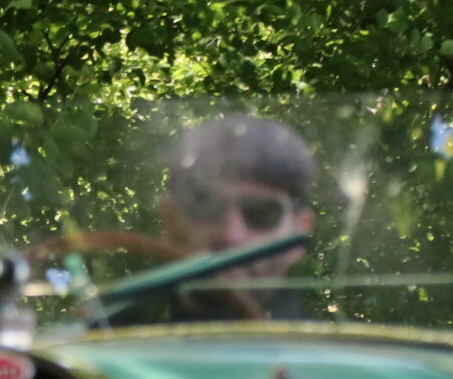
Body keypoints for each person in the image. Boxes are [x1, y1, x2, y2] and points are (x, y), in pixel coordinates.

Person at [130, 114, 320, 323]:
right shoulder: (110, 337)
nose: (231, 235)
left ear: (300, 233)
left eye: (261, 213)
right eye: (205, 207)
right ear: (170, 221)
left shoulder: (333, 343)